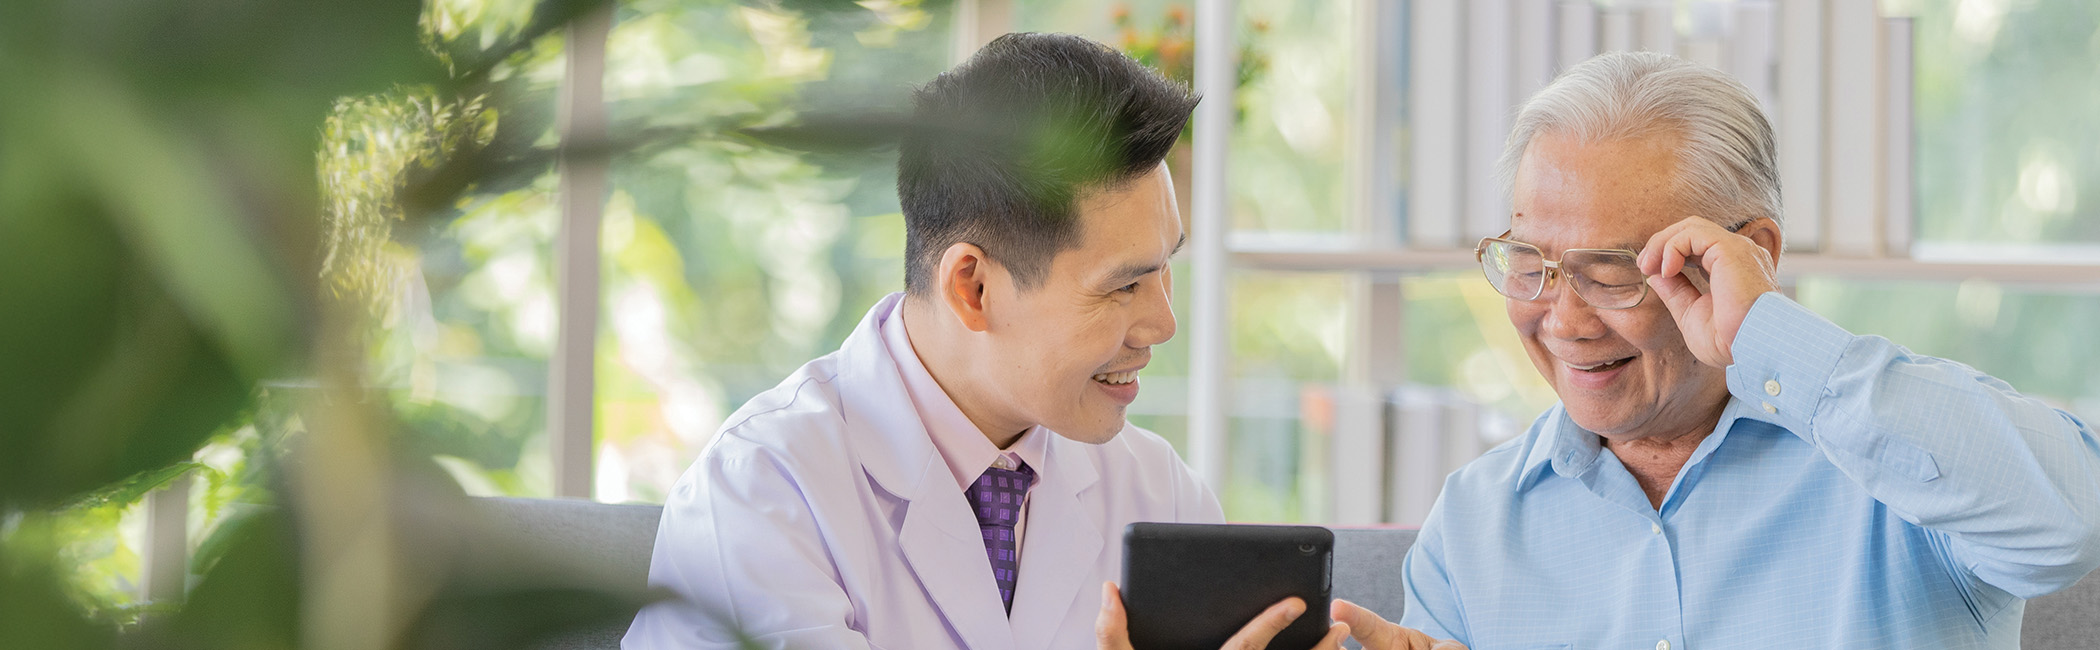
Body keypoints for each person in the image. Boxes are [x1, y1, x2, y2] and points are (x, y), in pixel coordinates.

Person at [1338, 51, 2100, 649]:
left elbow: (2075, 521)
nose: (1564, 319)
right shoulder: (1477, 521)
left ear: (1749, 253)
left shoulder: (1900, 467)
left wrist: (1767, 333)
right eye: (1533, 265)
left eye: (1611, 272)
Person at [624, 33, 1345, 650]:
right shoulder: (761, 496)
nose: (1163, 323)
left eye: (1166, 270)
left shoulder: (1159, 494)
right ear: (972, 287)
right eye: (1123, 286)